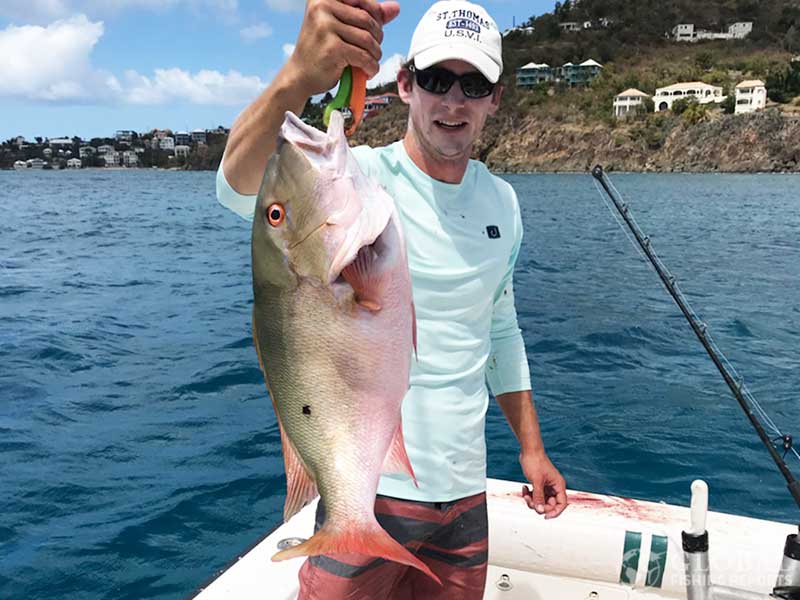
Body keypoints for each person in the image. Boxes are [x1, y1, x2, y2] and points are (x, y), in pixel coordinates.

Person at [216, 0, 568, 597]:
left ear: (495, 98)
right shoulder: (356, 180)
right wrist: (299, 74)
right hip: (367, 482)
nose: (453, 101)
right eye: (435, 79)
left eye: (473, 83)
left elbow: (501, 329)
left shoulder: (503, 204)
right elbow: (236, 186)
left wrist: (532, 450)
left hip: (463, 492)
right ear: (404, 85)